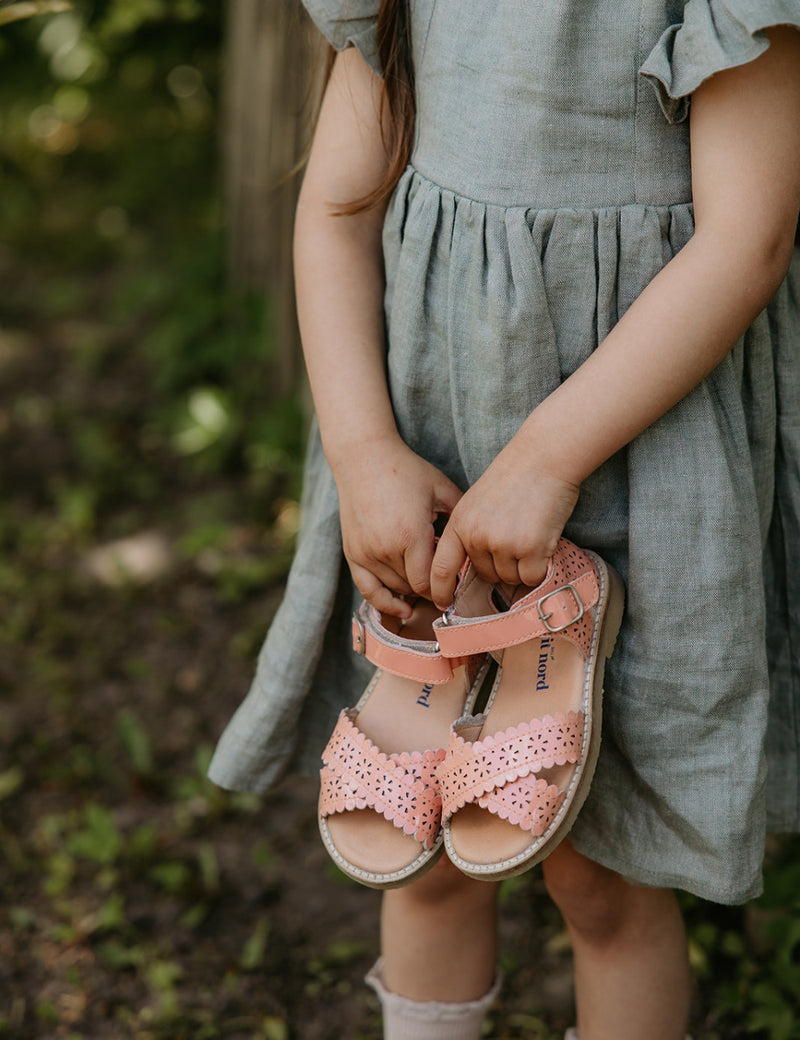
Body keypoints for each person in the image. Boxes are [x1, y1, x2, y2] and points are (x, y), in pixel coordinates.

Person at [209, 1, 800, 1037]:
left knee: (603, 874)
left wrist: (545, 457)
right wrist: (362, 452)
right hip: (424, 463)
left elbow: (744, 239)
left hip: (639, 464)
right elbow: (337, 207)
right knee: (429, 851)